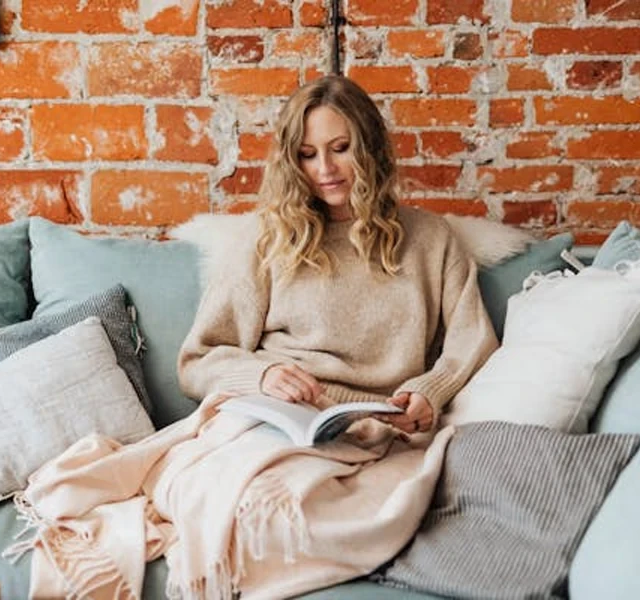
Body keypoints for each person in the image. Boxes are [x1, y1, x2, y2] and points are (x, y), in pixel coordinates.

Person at [177, 75, 497, 435]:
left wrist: (428, 391)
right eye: (308, 155)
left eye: (341, 148)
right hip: (273, 415)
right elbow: (197, 361)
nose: (325, 168)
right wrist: (261, 375)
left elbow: (474, 341)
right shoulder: (266, 237)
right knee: (269, 486)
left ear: (370, 148)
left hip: (379, 426)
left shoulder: (431, 239)